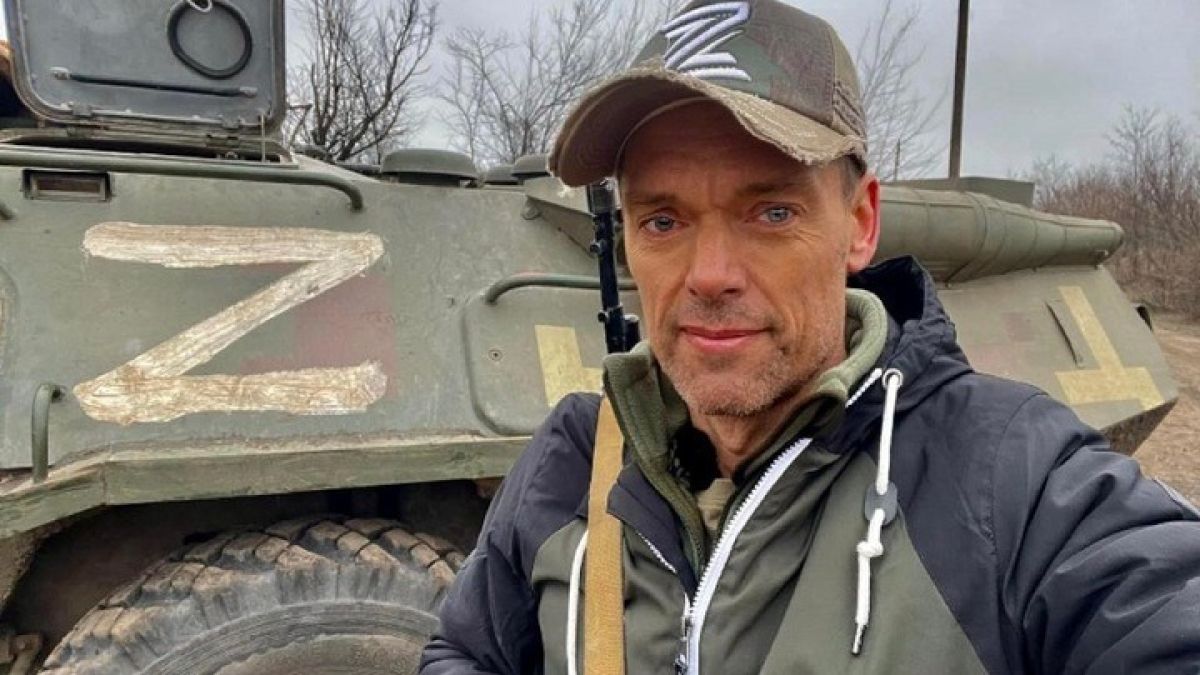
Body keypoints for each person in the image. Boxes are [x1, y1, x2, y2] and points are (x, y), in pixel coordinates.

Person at [420, 1, 1200, 673]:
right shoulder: (574, 460)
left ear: (860, 222)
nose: (710, 275)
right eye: (663, 221)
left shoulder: (1008, 482)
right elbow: (463, 650)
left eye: (772, 213)